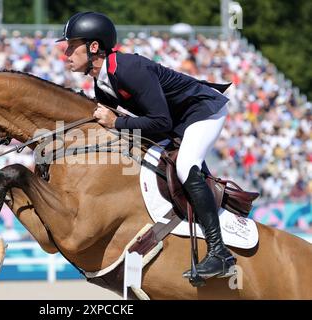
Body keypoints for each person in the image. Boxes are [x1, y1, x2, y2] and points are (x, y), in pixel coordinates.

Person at [57, 12, 236, 279]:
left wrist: (116, 123)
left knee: (186, 166)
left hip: (202, 112)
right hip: (175, 120)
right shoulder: (102, 83)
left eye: (72, 45)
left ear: (94, 47)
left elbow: (160, 122)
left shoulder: (129, 69)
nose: (66, 53)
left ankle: (220, 252)